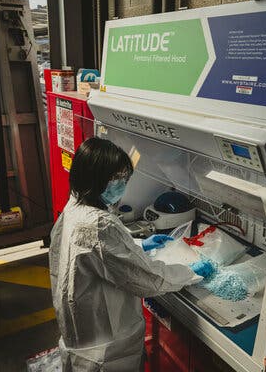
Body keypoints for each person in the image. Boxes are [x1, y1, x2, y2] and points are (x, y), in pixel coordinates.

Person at [49, 137, 214, 372]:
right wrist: (190, 273)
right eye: (117, 179)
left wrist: (138, 244)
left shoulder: (75, 206)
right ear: (95, 180)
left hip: (82, 340)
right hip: (106, 353)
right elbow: (148, 279)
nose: (123, 184)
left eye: (125, 178)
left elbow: (94, 253)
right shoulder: (99, 224)